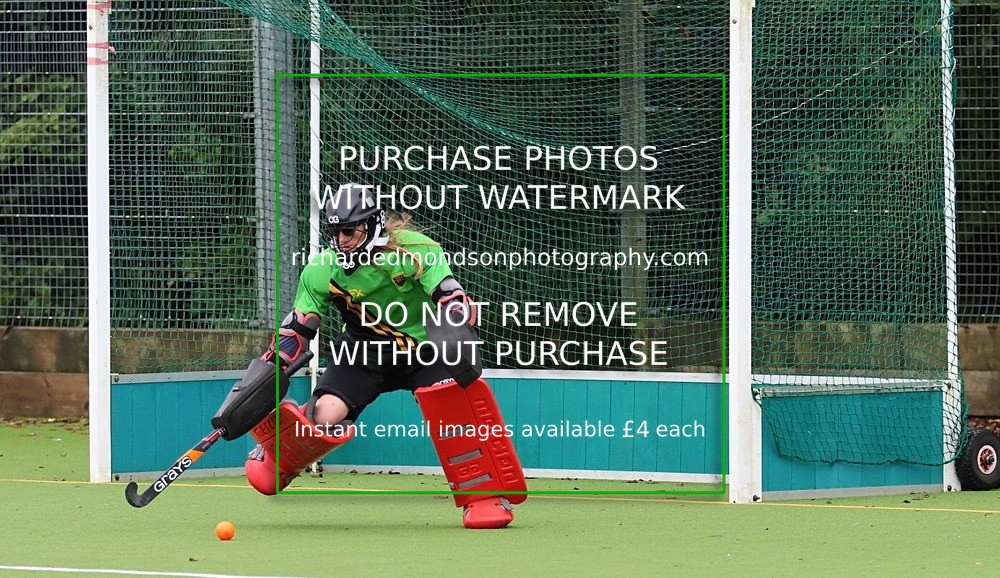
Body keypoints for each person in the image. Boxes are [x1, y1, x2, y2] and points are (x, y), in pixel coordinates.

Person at [242, 182, 526, 529]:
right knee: (326, 414)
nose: (341, 239)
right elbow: (298, 331)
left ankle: (484, 496)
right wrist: (268, 372)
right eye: (335, 232)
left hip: (425, 351)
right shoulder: (322, 268)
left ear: (371, 223)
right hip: (363, 353)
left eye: (349, 230)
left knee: (454, 407)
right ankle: (279, 454)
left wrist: (458, 314)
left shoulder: (418, 250)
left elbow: (450, 294)